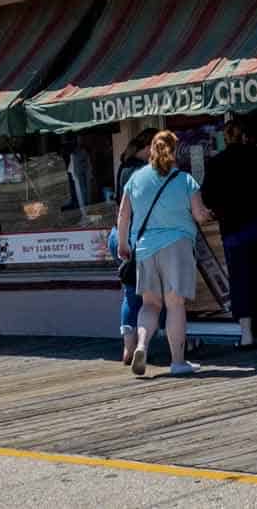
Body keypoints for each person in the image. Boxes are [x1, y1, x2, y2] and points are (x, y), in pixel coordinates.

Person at [115, 129, 215, 378]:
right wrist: (210, 214)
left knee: (150, 304)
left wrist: (124, 245)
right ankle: (178, 361)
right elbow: (200, 214)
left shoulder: (135, 179)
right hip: (176, 246)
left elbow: (123, 215)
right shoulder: (184, 180)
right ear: (175, 152)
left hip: (145, 248)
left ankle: (141, 346)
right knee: (175, 304)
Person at [200, 118, 257, 348]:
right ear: (246, 136)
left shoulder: (217, 163)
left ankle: (247, 334)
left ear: (226, 138)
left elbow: (207, 197)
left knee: (240, 280)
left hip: (234, 229)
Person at [110, 130, 159, 364]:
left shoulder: (124, 167)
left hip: (119, 234)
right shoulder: (143, 172)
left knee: (131, 294)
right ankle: (163, 342)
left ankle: (128, 348)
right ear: (149, 147)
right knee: (155, 295)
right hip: (138, 236)